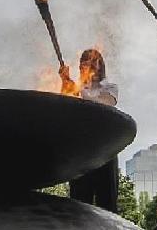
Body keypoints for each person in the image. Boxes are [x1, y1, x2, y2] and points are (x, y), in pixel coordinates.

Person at [59, 48, 119, 212]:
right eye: (84, 61)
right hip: (81, 153)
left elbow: (103, 104)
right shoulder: (76, 88)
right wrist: (65, 83)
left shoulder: (110, 87)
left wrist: (77, 91)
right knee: (78, 205)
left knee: (107, 206)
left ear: (101, 65)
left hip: (105, 152)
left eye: (93, 61)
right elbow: (63, 108)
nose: (89, 65)